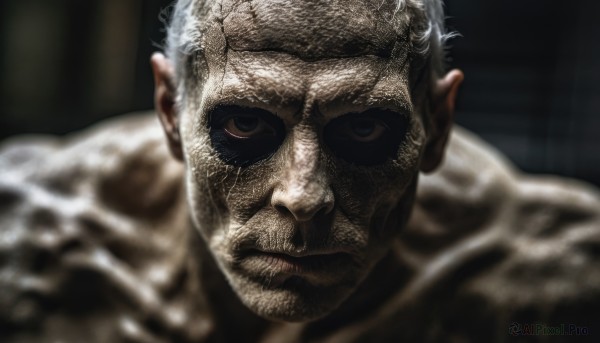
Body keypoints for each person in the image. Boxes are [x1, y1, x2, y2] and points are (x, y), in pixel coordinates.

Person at [1, 0, 599, 341]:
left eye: (363, 128)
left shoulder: (546, 280)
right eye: (244, 126)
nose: (303, 195)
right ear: (170, 112)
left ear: (436, 125)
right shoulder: (29, 243)